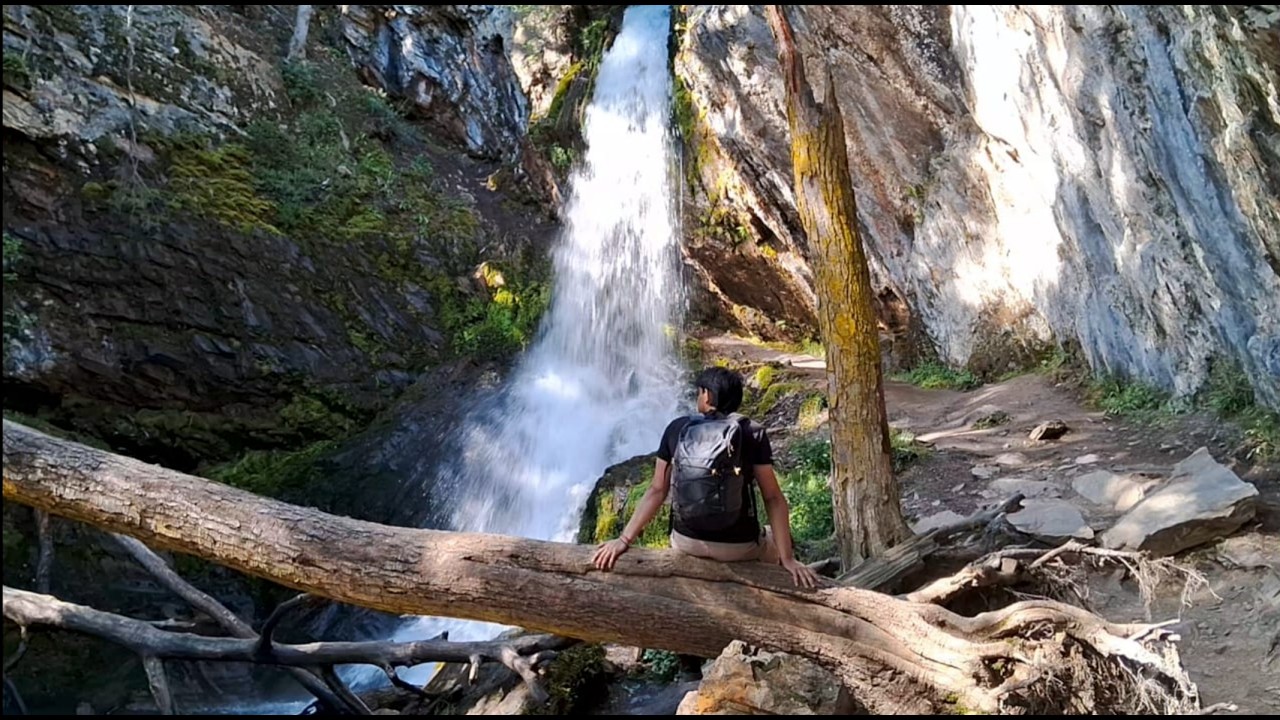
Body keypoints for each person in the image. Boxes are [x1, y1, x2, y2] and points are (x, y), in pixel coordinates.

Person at [592, 366, 820, 589]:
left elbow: (657, 491)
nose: (696, 397)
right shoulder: (752, 431)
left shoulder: (677, 428)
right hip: (738, 546)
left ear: (707, 395)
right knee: (770, 535)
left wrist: (623, 541)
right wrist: (787, 558)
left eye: (698, 391)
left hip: (686, 542)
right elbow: (772, 498)